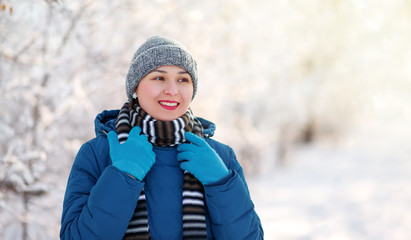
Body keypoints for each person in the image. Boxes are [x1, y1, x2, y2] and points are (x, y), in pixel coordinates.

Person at [60, 36, 264, 239]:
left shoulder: (220, 156)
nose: (172, 90)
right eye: (159, 78)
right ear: (135, 87)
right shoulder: (98, 153)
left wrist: (221, 183)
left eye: (183, 79)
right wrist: (122, 175)